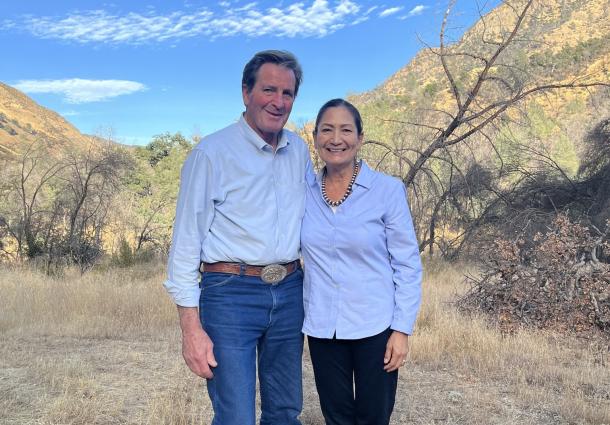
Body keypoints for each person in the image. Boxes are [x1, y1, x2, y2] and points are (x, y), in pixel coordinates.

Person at [163, 50, 310, 425]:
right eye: (269, 90)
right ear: (246, 92)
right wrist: (191, 330)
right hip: (230, 294)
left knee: (284, 411)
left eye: (288, 93)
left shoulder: (299, 151)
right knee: (236, 416)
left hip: (291, 290)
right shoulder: (211, 154)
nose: (278, 102)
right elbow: (184, 246)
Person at [301, 98, 422, 425]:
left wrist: (401, 329)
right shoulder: (304, 191)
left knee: (373, 416)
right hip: (324, 327)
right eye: (327, 130)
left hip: (376, 327)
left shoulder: (387, 190)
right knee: (336, 416)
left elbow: (407, 264)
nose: (335, 139)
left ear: (360, 137)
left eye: (345, 130)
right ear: (315, 138)